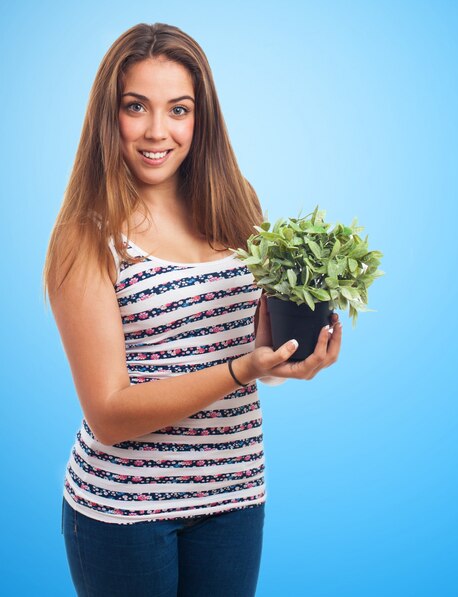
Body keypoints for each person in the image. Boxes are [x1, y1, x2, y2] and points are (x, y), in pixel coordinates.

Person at [42, 22, 341, 597]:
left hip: (234, 493)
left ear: (200, 118)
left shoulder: (237, 205)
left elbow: (247, 338)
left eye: (178, 109)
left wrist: (290, 358)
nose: (159, 131)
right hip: (126, 510)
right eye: (137, 107)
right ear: (110, 116)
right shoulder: (86, 236)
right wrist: (242, 371)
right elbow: (109, 413)